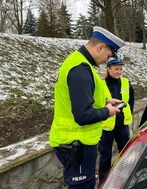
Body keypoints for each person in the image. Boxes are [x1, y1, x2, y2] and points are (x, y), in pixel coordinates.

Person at [49, 26, 126, 189]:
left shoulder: (80, 64)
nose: (107, 61)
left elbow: (79, 98)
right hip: (76, 144)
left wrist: (105, 102)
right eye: (108, 55)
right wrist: (108, 111)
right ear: (100, 47)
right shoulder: (80, 69)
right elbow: (83, 115)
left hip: (78, 142)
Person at [98, 56, 134, 184]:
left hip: (122, 124)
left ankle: (124, 178)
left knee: (125, 152)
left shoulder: (126, 82)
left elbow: (131, 101)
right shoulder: (100, 84)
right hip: (106, 126)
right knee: (105, 156)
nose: (119, 71)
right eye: (116, 69)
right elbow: (95, 103)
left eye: (121, 69)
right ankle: (103, 181)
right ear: (108, 69)